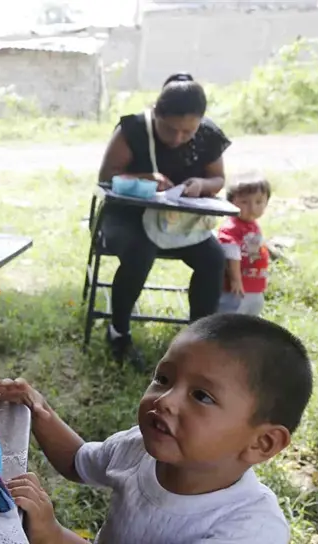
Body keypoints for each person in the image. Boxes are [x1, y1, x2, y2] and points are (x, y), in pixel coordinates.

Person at [0, 314, 314, 543]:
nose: (166, 400)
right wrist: (38, 410)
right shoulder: (138, 448)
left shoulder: (250, 529)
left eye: (201, 395)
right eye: (163, 379)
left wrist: (53, 535)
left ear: (263, 442)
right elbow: (78, 460)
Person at [98, 73, 232, 368]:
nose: (178, 138)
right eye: (170, 129)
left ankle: (200, 338)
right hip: (126, 217)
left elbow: (218, 179)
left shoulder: (209, 135)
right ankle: (118, 331)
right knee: (139, 252)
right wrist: (143, 178)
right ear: (155, 114)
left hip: (178, 221)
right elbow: (106, 178)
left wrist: (201, 183)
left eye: (188, 132)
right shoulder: (133, 129)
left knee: (213, 258)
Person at [217, 175, 272, 316]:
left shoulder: (252, 225)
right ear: (231, 203)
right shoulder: (232, 227)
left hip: (253, 285)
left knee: (251, 315)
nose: (252, 207)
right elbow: (232, 254)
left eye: (259, 202)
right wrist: (235, 280)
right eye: (244, 202)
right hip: (237, 288)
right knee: (231, 316)